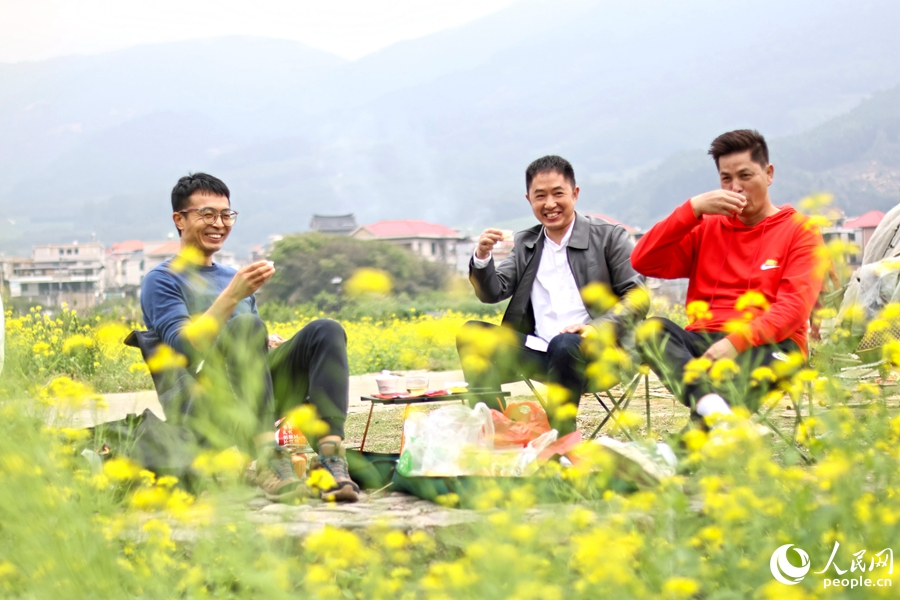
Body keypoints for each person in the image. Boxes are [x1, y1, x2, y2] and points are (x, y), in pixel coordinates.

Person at [140, 173, 358, 502]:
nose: (219, 223)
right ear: (179, 220)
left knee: (325, 329)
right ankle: (267, 458)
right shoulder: (161, 280)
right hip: (203, 403)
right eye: (207, 214)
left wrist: (267, 342)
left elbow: (245, 338)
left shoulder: (232, 277)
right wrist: (233, 296)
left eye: (226, 215)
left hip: (253, 397)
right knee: (246, 327)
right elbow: (184, 349)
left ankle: (330, 457)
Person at [631, 129, 826, 423]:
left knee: (733, 379)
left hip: (772, 345)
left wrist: (736, 342)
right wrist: (691, 209)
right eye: (726, 179)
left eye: (745, 176)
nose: (736, 188)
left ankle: (674, 457)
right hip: (705, 339)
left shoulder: (800, 231)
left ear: (769, 173)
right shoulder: (706, 226)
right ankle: (709, 405)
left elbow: (794, 309)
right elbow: (643, 260)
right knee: (650, 330)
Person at [458, 155, 649, 435]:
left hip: (597, 353)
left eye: (558, 193)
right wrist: (483, 256)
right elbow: (492, 292)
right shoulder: (528, 242)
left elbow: (637, 297)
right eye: (540, 196)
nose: (550, 204)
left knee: (565, 343)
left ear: (575, 193)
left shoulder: (608, 236)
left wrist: (595, 328)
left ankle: (560, 441)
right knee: (471, 332)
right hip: (541, 352)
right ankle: (497, 429)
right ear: (529, 200)